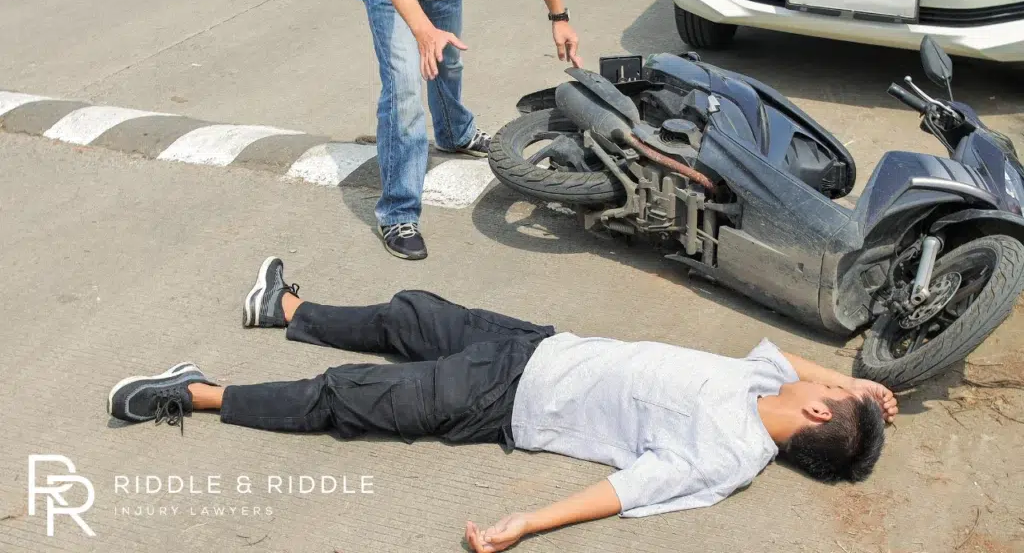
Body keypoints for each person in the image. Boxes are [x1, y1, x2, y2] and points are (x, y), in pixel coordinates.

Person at [108, 257, 898, 553]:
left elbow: (624, 492)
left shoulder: (727, 458)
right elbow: (787, 363)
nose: (821, 380)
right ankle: (285, 312)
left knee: (346, 399)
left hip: (497, 400)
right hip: (537, 343)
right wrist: (859, 387)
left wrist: (527, 522)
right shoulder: (763, 387)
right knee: (407, 312)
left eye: (829, 391)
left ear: (818, 417)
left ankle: (196, 392)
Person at [356, 0, 583, 260]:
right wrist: (423, 30)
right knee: (403, 88)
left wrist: (559, 16)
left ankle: (455, 133)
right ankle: (397, 212)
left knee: (448, 62)